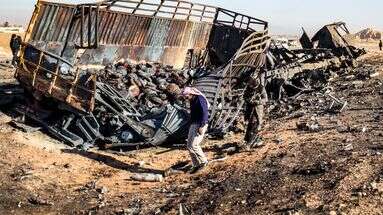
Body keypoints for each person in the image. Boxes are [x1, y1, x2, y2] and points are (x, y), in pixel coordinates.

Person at [182, 87, 209, 174]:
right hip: (194, 124)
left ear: (191, 94)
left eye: (186, 97)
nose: (186, 98)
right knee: (189, 145)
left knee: (194, 144)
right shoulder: (192, 100)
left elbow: (204, 112)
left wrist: (202, 126)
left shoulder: (200, 99)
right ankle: (196, 164)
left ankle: (204, 162)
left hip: (200, 124)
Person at [243, 74, 268, 147]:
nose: (250, 85)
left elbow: (265, 99)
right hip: (250, 109)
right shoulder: (248, 88)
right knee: (250, 125)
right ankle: (249, 141)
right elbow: (244, 97)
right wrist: (249, 100)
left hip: (258, 109)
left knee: (256, 125)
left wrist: (258, 102)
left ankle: (250, 142)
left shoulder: (261, 88)